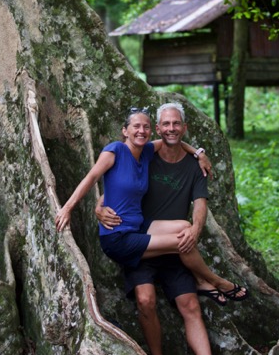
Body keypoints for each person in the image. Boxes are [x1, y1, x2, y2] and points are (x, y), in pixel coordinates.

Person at [96, 102, 248, 355]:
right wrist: (98, 205)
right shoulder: (146, 154)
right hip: (139, 241)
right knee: (145, 300)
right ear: (157, 128)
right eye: (165, 124)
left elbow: (200, 205)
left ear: (184, 127)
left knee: (190, 304)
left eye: (176, 124)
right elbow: (117, 182)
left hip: (177, 244)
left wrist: (196, 231)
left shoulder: (194, 167)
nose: (171, 129)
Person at [55, 106, 239, 301]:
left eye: (146, 127)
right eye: (136, 126)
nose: (141, 131)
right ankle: (215, 281)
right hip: (118, 237)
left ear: (152, 131)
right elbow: (91, 178)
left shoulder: (146, 153)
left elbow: (174, 140)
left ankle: (201, 281)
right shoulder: (115, 151)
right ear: (125, 131)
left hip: (136, 228)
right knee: (182, 241)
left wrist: (199, 153)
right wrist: (67, 208)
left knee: (186, 227)